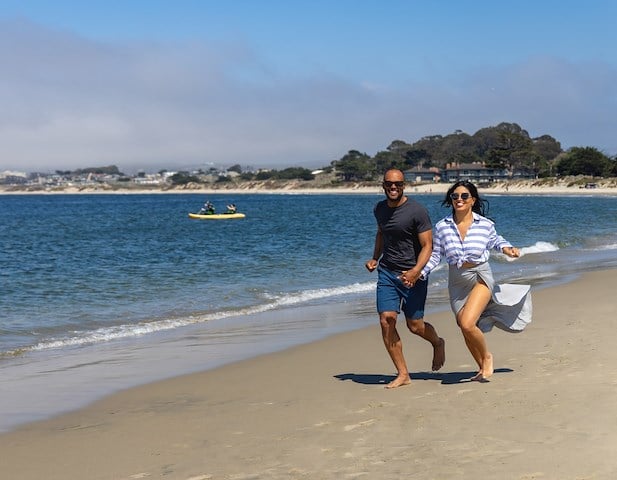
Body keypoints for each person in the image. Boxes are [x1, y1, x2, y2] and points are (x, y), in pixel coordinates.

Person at [421, 180, 532, 382]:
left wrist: (508, 249)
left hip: (480, 276)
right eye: (455, 196)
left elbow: (496, 241)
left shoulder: (485, 225)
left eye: (464, 196)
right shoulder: (442, 227)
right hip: (456, 282)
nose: (459, 200)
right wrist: (422, 272)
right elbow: (436, 255)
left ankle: (487, 357)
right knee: (465, 328)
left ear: (472, 200)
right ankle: (481, 367)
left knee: (467, 323)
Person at [365, 169, 446, 389]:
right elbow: (381, 233)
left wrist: (416, 271)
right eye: (389, 184)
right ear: (383, 185)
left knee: (415, 326)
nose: (393, 188)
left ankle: (437, 342)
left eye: (398, 184)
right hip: (388, 273)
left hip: (413, 275)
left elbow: (428, 246)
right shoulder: (379, 208)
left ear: (404, 186)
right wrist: (375, 258)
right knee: (386, 320)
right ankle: (403, 374)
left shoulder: (417, 211)